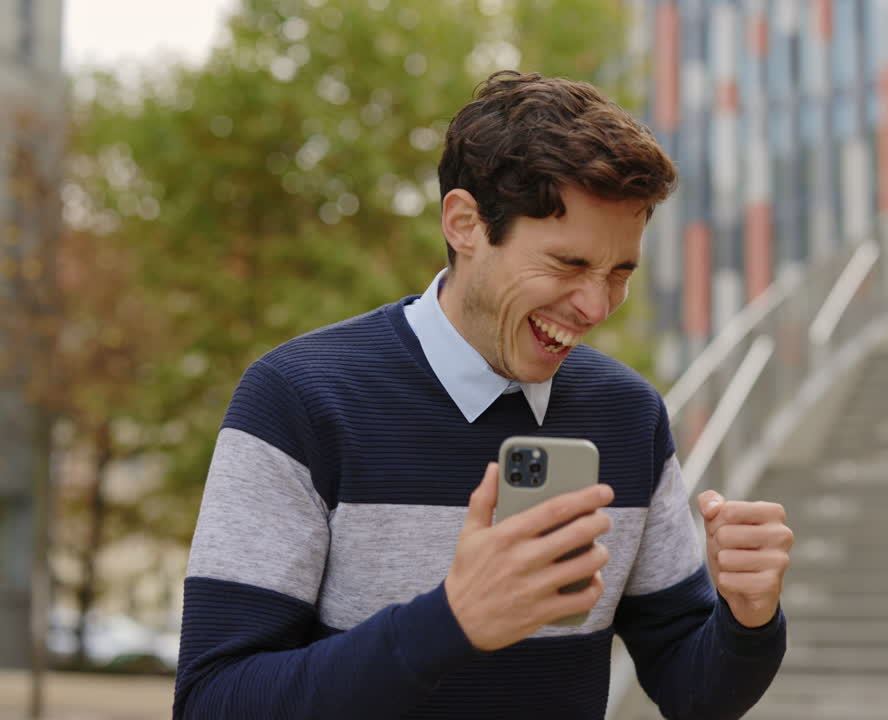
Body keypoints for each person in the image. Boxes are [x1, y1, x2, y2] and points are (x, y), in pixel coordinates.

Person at [172, 71, 792, 720]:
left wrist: (748, 617)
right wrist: (452, 621)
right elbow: (213, 702)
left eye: (619, 273)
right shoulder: (296, 399)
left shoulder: (629, 416)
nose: (595, 305)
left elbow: (693, 692)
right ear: (466, 224)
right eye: (568, 265)